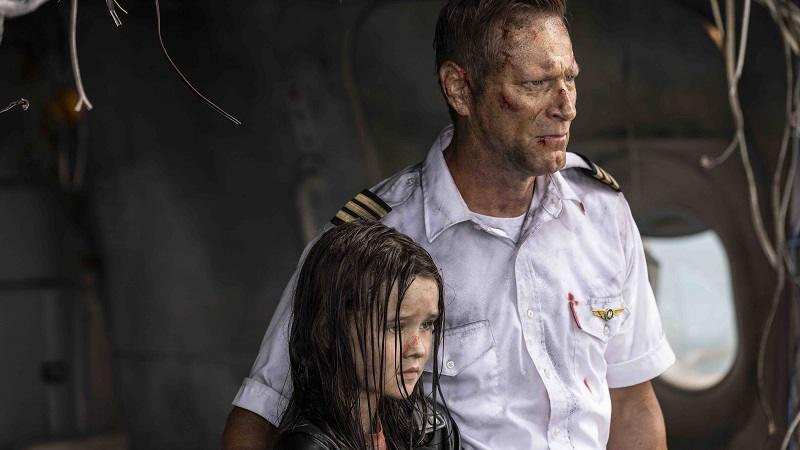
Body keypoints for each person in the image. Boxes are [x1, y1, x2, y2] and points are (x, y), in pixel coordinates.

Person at [223, 0, 675, 449]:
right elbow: (262, 415)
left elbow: (632, 400)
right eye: (536, 83)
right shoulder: (372, 240)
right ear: (459, 89)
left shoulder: (601, 211)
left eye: (570, 79)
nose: (566, 106)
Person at [272, 221, 460, 449]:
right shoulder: (308, 446)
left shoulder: (434, 430)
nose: (418, 349)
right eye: (395, 327)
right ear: (327, 331)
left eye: (427, 324)